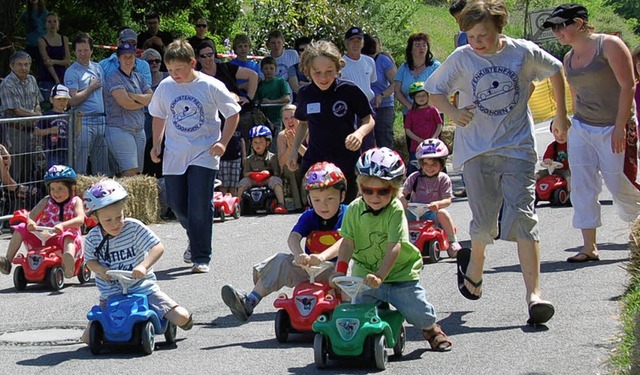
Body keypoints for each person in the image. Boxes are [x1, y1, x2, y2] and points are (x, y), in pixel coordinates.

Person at [425, 0, 570, 325]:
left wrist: (561, 115)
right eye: (472, 36)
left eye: (483, 36)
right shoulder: (462, 58)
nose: (477, 42)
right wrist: (453, 113)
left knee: (523, 215)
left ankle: (535, 296)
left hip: (517, 146)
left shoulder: (522, 52)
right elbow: (434, 90)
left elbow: (556, 70)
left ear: (499, 28)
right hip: (477, 150)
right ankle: (475, 266)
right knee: (486, 220)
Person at [543, 4, 640, 263]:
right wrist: (565, 122)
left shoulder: (608, 45)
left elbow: (628, 85)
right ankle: (589, 247)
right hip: (583, 127)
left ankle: (637, 229)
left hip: (614, 126)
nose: (557, 32)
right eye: (554, 28)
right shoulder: (568, 59)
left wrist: (621, 126)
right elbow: (575, 95)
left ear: (579, 22)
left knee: (620, 184)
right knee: (582, 186)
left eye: (561, 25)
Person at [334, 147, 452, 351]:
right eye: (367, 190)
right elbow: (347, 242)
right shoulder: (354, 208)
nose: (374, 196)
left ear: (395, 189)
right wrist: (340, 270)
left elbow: (394, 246)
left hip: (400, 274)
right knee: (359, 311)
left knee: (418, 312)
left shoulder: (395, 209)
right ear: (360, 186)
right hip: (366, 274)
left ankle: (431, 329)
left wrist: (381, 275)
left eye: (383, 191)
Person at [148, 39, 241, 273]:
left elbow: (233, 114)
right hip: (175, 153)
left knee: (199, 203)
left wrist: (222, 142)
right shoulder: (165, 87)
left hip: (204, 152)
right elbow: (159, 115)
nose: (174, 74)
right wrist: (157, 143)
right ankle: (195, 236)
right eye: (170, 70)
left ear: (192, 63)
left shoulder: (210, 85)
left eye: (179, 69)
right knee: (177, 204)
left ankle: (201, 256)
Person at [221, 161, 348, 322]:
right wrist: (299, 255)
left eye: (329, 198)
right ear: (309, 199)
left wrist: (322, 256)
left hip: (339, 269)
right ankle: (250, 301)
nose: (323, 205)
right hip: (311, 270)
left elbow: (346, 241)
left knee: (352, 268)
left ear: (342, 195)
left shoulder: (348, 214)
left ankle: (349, 309)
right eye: (316, 200)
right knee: (281, 260)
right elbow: (293, 237)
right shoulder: (309, 216)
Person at [82, 179, 192, 342]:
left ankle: (168, 322)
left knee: (181, 317)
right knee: (86, 339)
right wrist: (100, 270)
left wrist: (143, 265)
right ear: (96, 218)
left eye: (119, 217)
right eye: (108, 220)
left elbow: (158, 247)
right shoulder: (93, 238)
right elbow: (89, 261)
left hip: (143, 289)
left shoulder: (133, 228)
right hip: (112, 294)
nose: (115, 224)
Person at [286, 40, 375, 204]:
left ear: (338, 68)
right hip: (315, 160)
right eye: (317, 72)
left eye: (329, 71)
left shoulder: (349, 90)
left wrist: (359, 134)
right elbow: (303, 123)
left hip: (345, 160)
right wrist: (294, 152)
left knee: (344, 209)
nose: (323, 77)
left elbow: (368, 120)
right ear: (307, 70)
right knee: (318, 209)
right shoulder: (305, 93)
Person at [0, 165, 84, 278]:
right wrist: (31, 223)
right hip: (43, 235)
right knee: (21, 227)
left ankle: (68, 262)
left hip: (63, 236)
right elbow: (31, 215)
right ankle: (7, 261)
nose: (56, 193)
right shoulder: (46, 200)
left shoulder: (75, 201)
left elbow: (80, 219)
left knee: (69, 235)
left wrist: (63, 225)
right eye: (53, 189)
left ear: (72, 188)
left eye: (60, 189)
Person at [401, 139, 460, 258]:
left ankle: (452, 241)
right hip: (414, 211)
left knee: (443, 213)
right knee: (398, 211)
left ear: (441, 164)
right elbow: (403, 192)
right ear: (421, 164)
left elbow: (447, 200)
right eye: (426, 164)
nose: (429, 168)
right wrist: (402, 199)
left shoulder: (443, 179)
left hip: (432, 213)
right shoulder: (415, 177)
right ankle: (396, 240)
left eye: (434, 164)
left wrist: (438, 204)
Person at [64, 32, 110, 176]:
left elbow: (103, 94)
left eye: (85, 50)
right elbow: (72, 100)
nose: (82, 54)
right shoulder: (71, 72)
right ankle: (78, 194)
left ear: (91, 50)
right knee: (80, 164)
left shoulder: (98, 68)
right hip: (83, 122)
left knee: (101, 165)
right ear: (74, 52)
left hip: (100, 121)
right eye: (79, 51)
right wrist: (90, 88)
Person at [104, 42, 153, 177]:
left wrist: (132, 96)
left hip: (138, 129)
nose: (128, 60)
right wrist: (142, 101)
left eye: (130, 56)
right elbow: (125, 103)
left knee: (138, 172)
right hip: (119, 129)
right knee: (130, 170)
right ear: (118, 58)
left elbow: (152, 98)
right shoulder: (113, 78)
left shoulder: (139, 78)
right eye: (124, 57)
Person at [0, 51, 42, 183]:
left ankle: (28, 198)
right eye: (19, 64)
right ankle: (11, 199)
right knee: (14, 168)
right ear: (12, 66)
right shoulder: (7, 84)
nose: (23, 68)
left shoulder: (32, 80)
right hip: (14, 132)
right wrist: (37, 116)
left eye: (26, 64)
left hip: (31, 131)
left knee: (30, 168)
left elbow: (37, 102)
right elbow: (16, 109)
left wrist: (38, 113)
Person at [237, 125, 288, 214]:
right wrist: (252, 174)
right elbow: (245, 173)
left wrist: (269, 173)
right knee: (243, 182)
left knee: (276, 180)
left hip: (267, 180)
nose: (258, 145)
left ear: (267, 143)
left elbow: (277, 172)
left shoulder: (273, 157)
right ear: (251, 144)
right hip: (254, 180)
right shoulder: (249, 159)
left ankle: (281, 204)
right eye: (255, 142)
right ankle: (237, 205)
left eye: (261, 142)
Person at [362, 34, 396, 150]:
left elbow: (395, 82)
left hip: (384, 106)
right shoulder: (357, 62)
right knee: (366, 142)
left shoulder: (383, 60)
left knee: (384, 139)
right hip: (364, 107)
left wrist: (381, 95)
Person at [404, 81, 443, 174]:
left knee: (436, 165)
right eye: (418, 96)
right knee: (414, 168)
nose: (421, 98)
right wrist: (418, 139)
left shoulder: (433, 110)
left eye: (423, 95)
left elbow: (439, 124)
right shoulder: (411, 113)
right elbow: (407, 130)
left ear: (428, 96)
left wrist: (434, 137)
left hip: (433, 144)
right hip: (416, 146)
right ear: (413, 98)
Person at [34, 84, 75, 166]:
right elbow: (36, 131)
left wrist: (79, 120)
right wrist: (49, 130)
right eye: (58, 99)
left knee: (66, 174)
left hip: (67, 150)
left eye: (65, 99)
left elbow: (75, 133)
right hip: (52, 151)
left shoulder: (68, 116)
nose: (62, 102)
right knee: (54, 173)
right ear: (51, 100)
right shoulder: (47, 115)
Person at [277, 104, 306, 212]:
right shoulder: (282, 136)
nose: (290, 121)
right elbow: (281, 162)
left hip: (306, 163)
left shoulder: (308, 131)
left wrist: (296, 144)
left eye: (293, 117)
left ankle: (306, 202)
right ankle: (296, 205)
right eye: (286, 118)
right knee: (289, 169)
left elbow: (310, 155)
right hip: (291, 167)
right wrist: (290, 148)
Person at [255, 56, 291, 132]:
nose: (269, 71)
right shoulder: (260, 84)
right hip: (263, 119)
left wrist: (270, 102)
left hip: (278, 118)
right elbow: (256, 101)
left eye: (271, 68)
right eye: (266, 68)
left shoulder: (281, 82)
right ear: (262, 70)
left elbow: (287, 99)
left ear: (276, 69)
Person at [37, 12, 70, 91]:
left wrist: (54, 61)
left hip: (63, 76)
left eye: (55, 21)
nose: (52, 24)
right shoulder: (41, 40)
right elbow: (47, 62)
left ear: (58, 24)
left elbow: (68, 61)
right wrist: (57, 80)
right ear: (45, 24)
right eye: (49, 21)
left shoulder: (64, 39)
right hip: (47, 77)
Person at [535, 120, 570, 189]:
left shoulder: (572, 145)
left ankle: (570, 193)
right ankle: (534, 191)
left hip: (567, 170)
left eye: (563, 134)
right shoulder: (553, 146)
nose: (560, 137)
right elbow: (547, 157)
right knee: (538, 175)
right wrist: (547, 160)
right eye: (556, 134)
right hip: (553, 170)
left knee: (569, 178)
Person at [19, 0, 48, 73]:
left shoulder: (45, 13)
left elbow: (49, 29)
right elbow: (17, 25)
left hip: (41, 46)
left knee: (42, 69)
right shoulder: (26, 14)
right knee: (24, 66)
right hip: (29, 45)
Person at [287, 36, 311, 103]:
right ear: (298, 52)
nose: (305, 52)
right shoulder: (292, 68)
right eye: (302, 50)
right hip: (299, 104)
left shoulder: (319, 66)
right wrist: (312, 85)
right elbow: (296, 89)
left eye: (308, 49)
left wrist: (303, 83)